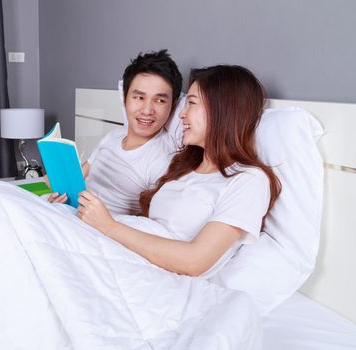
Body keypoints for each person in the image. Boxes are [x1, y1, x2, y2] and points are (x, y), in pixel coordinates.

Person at [77, 65, 282, 278]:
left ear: (221, 110)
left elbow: (195, 261)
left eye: (191, 104)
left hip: (144, 268)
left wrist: (109, 227)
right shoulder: (184, 167)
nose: (182, 114)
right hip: (117, 248)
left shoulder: (248, 180)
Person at [47, 49, 183, 215]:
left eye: (160, 100)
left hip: (100, 231)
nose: (147, 110)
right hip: (75, 213)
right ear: (125, 99)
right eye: (139, 98)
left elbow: (149, 224)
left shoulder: (164, 160)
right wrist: (61, 200)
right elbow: (78, 177)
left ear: (173, 106)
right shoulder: (113, 136)